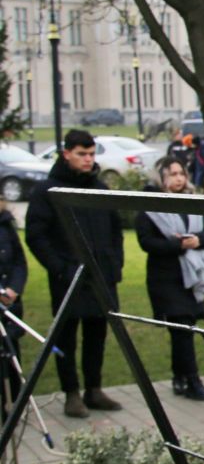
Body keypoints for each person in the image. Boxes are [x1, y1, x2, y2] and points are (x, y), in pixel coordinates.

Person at [25, 129, 123, 419]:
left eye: (91, 154)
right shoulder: (48, 192)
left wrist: (114, 266)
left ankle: (94, 389)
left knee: (97, 334)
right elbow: (36, 236)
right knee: (66, 337)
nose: (87, 160)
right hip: (67, 278)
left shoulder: (99, 188)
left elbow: (115, 231)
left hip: (101, 277)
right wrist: (61, 268)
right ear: (66, 153)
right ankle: (72, 393)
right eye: (81, 154)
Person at [135, 156, 204, 400]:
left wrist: (198, 240)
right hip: (167, 280)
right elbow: (146, 242)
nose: (179, 178)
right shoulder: (150, 207)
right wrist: (177, 244)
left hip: (192, 278)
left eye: (181, 173)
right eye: (172, 174)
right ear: (161, 178)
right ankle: (193, 381)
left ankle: (179, 377)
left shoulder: (193, 203)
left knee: (184, 329)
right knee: (181, 328)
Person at [0, 201, 27, 412]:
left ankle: (15, 403)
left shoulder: (6, 223)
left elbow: (19, 260)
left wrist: (13, 289)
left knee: (10, 348)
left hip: (9, 302)